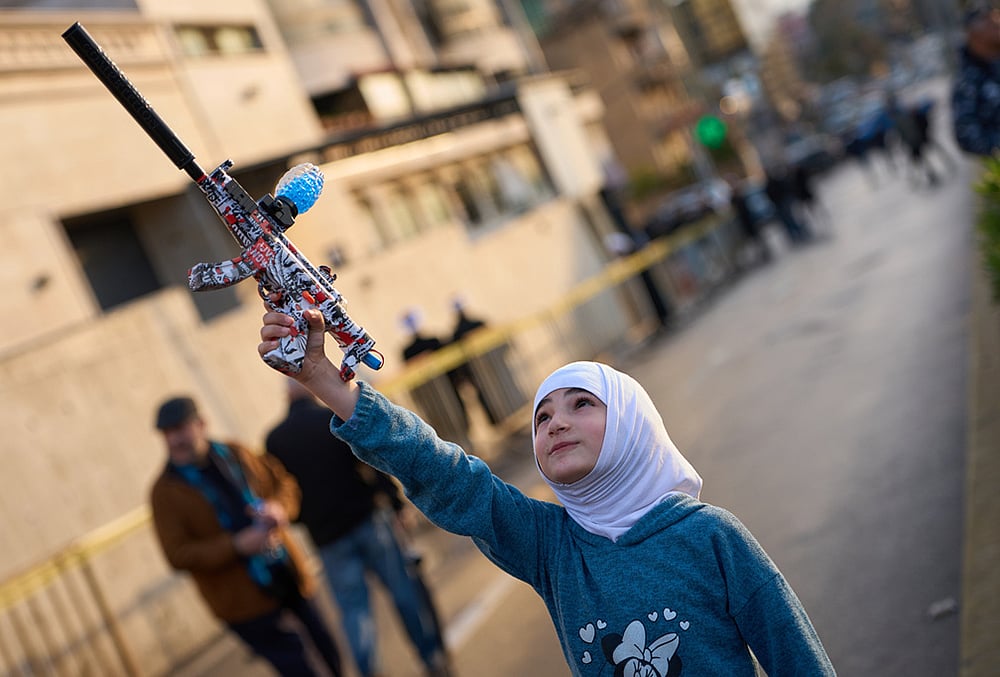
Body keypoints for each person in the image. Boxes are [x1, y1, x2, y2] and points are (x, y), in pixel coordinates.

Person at [257, 308, 837, 676]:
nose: (554, 423)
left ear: (635, 424)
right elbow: (447, 474)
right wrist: (326, 384)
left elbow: (796, 658)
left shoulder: (712, 536)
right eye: (541, 417)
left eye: (581, 404)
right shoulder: (550, 546)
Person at [265, 379, 452, 677]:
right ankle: (432, 660)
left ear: (285, 393)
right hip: (368, 519)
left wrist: (307, 519)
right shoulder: (331, 419)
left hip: (326, 538)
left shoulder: (274, 440)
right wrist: (394, 503)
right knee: (404, 593)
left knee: (355, 613)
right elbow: (370, 463)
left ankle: (369, 671)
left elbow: (282, 494)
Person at [149, 395, 343, 677]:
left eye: (180, 429)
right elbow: (177, 555)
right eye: (167, 433)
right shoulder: (164, 492)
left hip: (286, 571)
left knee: (328, 648)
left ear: (201, 424)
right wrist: (236, 546)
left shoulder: (235, 452)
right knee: (299, 668)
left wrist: (279, 509)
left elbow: (284, 484)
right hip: (242, 601)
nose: (175, 439)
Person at [952, 5, 1000, 156]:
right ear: (975, 35)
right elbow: (966, 137)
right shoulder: (968, 83)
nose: (997, 24)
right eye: (990, 22)